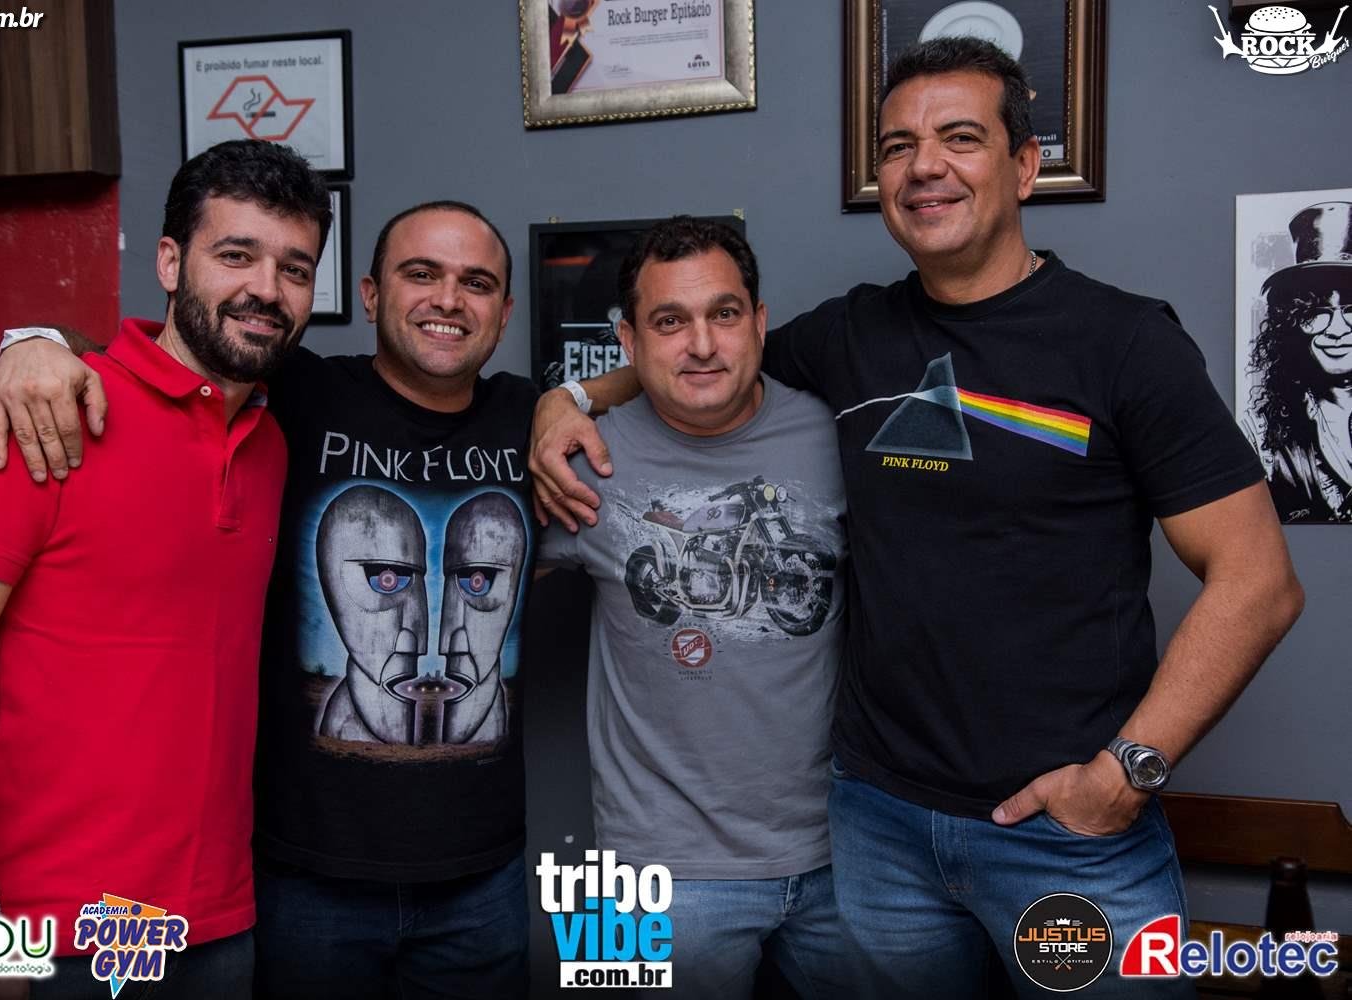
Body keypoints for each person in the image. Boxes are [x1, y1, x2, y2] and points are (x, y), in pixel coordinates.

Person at [531, 37, 1304, 997]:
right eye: (898, 146)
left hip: (1065, 838)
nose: (924, 165)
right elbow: (698, 362)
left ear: (1026, 165)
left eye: (960, 138)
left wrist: (1123, 775)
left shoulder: (1125, 341)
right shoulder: (850, 336)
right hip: (874, 832)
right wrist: (569, 399)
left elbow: (1260, 583)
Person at [0, 201, 537, 998]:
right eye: (421, 274)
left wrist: (581, 399)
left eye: (476, 283)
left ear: (505, 312)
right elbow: (161, 352)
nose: (448, 299)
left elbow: (661, 384)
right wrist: (33, 341)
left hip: (481, 879)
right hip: (306, 877)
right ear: (371, 294)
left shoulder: (530, 417)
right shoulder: (294, 389)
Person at [0, 138, 330, 998]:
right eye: (236, 255)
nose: (267, 290)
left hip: (216, 922)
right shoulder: (48, 414)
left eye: (294, 269)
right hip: (53, 934)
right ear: (169, 262)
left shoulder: (269, 442)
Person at [538, 216, 854, 997]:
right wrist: (559, 402)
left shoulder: (836, 433)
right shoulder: (580, 459)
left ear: (760, 321)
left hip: (852, 856)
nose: (703, 344)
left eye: (724, 313)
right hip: (643, 872)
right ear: (628, 339)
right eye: (670, 321)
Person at [1243, 201, 1352, 524]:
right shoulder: (1259, 432)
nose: (1336, 330)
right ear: (1291, 322)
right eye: (1316, 313)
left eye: (1351, 310)